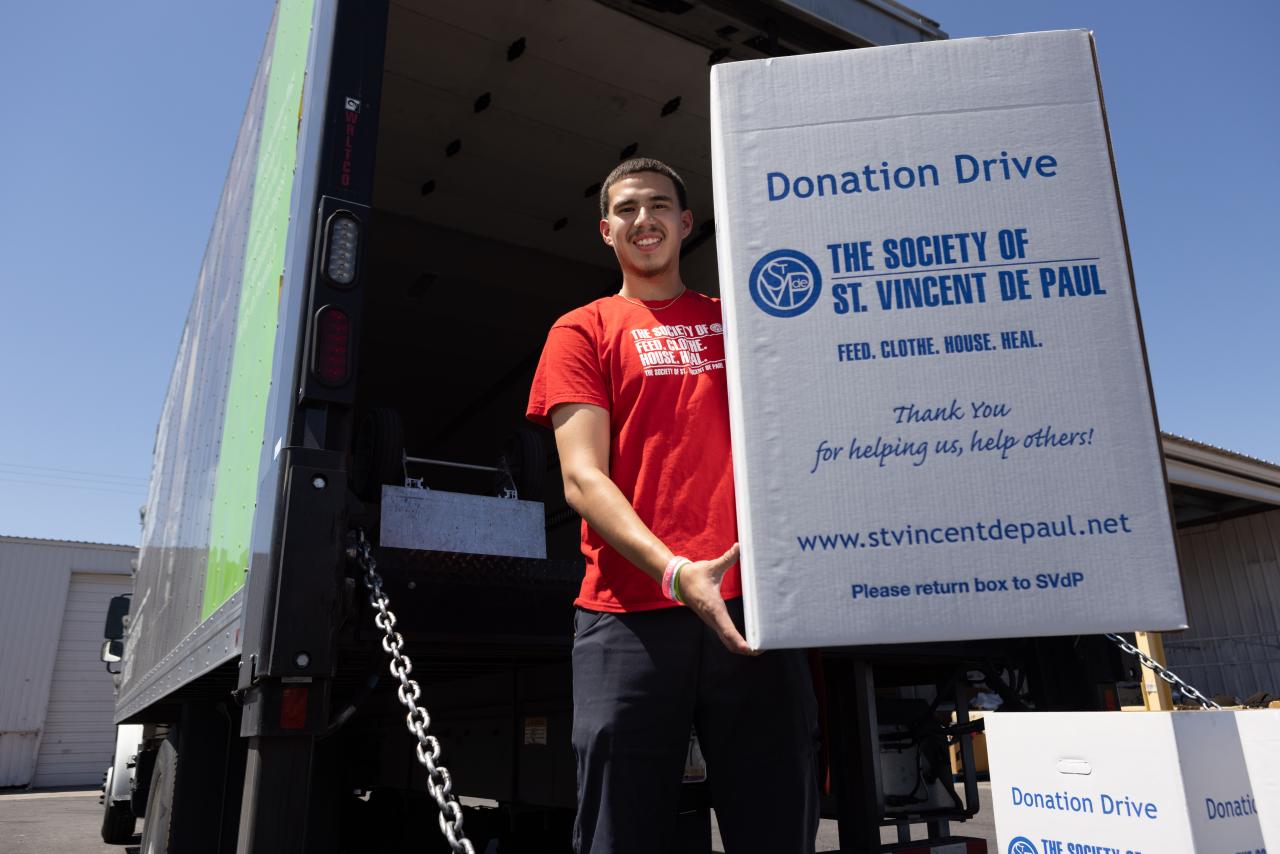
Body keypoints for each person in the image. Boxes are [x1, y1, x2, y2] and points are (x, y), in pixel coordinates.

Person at [526, 158, 819, 853]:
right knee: (617, 833)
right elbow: (583, 478)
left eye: (659, 206)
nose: (643, 219)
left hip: (754, 610)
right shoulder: (583, 329)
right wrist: (677, 572)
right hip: (626, 614)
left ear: (686, 225)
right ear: (605, 230)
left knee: (777, 823)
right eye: (626, 209)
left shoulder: (740, 324)